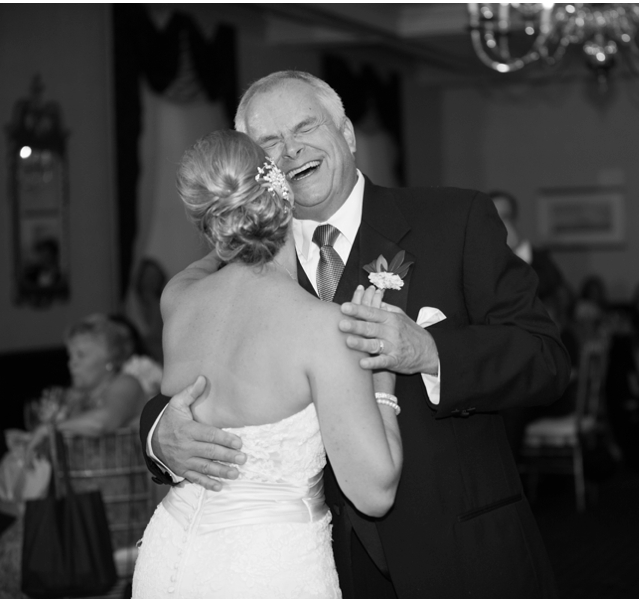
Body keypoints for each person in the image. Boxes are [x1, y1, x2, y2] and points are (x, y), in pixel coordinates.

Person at [138, 71, 570, 598]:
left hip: (455, 551)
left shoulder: (453, 221)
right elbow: (194, 367)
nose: (292, 150)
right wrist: (158, 432)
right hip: (303, 562)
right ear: (255, 169)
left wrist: (430, 351)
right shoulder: (233, 264)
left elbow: (546, 359)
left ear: (346, 133)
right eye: (270, 143)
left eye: (305, 127)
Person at [132, 130, 403, 598]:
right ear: (284, 199)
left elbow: (199, 267)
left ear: (213, 219)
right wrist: (383, 382)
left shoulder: (178, 300)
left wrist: (232, 231)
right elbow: (374, 494)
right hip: (266, 565)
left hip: (168, 553)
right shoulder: (322, 328)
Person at [0, 314, 152, 599]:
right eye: (70, 354)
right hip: (71, 511)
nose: (71, 362)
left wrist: (50, 429)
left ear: (109, 358)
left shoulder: (127, 384)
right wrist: (33, 439)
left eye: (81, 354)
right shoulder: (71, 397)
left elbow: (104, 421)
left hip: (116, 518)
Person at [490, 189, 570, 316]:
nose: (498, 224)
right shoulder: (479, 263)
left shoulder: (541, 261)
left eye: (504, 217)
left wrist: (515, 253)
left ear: (515, 220)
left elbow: (557, 298)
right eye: (493, 218)